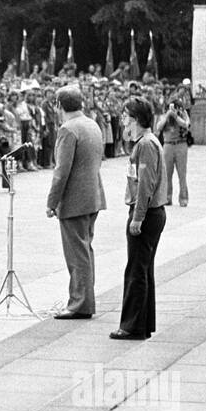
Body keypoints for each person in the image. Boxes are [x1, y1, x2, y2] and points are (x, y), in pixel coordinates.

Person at [45, 86, 105, 320]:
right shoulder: (91, 124)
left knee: (76, 254)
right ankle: (84, 299)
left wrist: (52, 202)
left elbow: (61, 171)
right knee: (85, 250)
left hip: (74, 200)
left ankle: (79, 303)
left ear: (59, 105)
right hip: (93, 196)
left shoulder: (67, 129)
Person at [112, 97, 167, 340]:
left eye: (125, 116)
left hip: (145, 213)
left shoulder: (145, 144)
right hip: (151, 212)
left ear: (135, 119)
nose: (122, 120)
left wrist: (137, 217)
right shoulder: (145, 142)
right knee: (143, 269)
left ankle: (132, 326)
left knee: (136, 270)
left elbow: (146, 184)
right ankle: (143, 324)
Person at [155, 96, 191, 207]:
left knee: (182, 174)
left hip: (181, 144)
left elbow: (186, 124)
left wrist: (176, 116)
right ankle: (167, 197)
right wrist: (168, 115)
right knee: (167, 174)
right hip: (168, 145)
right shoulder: (165, 116)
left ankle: (183, 198)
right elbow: (158, 127)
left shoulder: (183, 114)